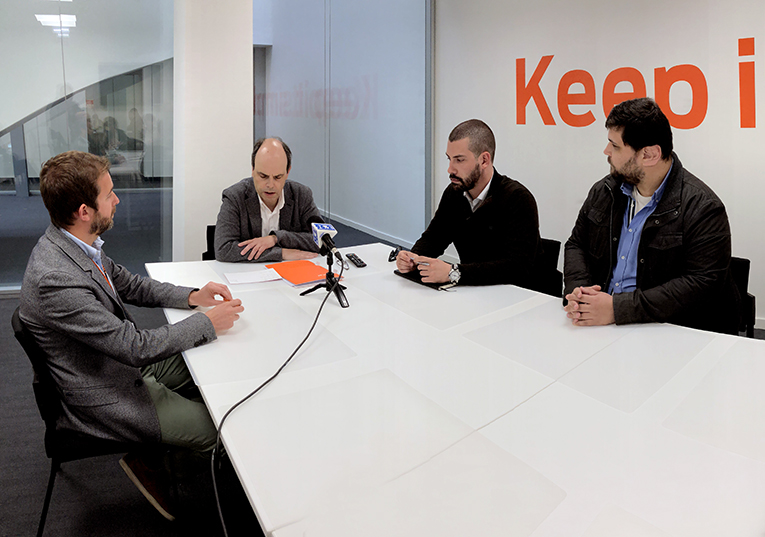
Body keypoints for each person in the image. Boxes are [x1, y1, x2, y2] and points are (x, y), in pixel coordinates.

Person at [19, 151, 244, 520]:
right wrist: (207, 322)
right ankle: (154, 464)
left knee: (212, 359)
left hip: (114, 364)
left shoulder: (75, 243)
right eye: (109, 194)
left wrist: (192, 296)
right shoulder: (56, 279)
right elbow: (133, 346)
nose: (118, 200)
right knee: (224, 433)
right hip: (105, 390)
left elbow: (129, 284)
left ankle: (165, 441)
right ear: (84, 211)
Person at [563, 97, 740, 334]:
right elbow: (577, 244)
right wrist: (579, 293)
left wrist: (618, 309)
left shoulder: (703, 207)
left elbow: (701, 284)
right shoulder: (604, 191)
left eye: (615, 146)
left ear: (649, 155)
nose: (606, 151)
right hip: (601, 326)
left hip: (666, 331)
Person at [396, 119, 546, 289]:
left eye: (459, 160)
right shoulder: (454, 193)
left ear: (484, 160)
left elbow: (517, 268)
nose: (450, 169)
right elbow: (435, 237)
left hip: (521, 294)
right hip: (475, 291)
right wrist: (412, 258)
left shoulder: (518, 198)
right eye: (449, 159)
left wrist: (453, 272)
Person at [214, 137, 321, 262]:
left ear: (288, 172)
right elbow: (224, 250)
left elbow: (322, 239)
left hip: (291, 271)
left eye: (278, 177)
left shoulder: (301, 195)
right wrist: (280, 253)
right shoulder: (235, 197)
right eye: (263, 176)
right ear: (253, 170)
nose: (270, 185)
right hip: (248, 272)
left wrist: (276, 238)